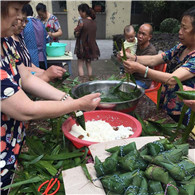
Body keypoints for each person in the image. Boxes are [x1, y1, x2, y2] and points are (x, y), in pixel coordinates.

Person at [0, 1, 101, 193]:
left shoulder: (6, 42)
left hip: (12, 142)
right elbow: (25, 110)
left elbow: (27, 79)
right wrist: (77, 104)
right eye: (16, 10)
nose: (20, 18)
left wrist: (66, 99)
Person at [121, 6, 195, 124]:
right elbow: (154, 59)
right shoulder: (181, 47)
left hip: (182, 111)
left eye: (184, 28)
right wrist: (133, 58)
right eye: (180, 26)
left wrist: (141, 69)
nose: (180, 31)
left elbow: (172, 79)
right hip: (166, 102)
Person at [7, 4, 66, 82]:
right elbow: (19, 71)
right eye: (21, 20)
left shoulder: (20, 38)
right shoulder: (8, 42)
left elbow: (24, 67)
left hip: (34, 62)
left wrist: (44, 73)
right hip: (40, 57)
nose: (24, 25)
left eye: (25, 20)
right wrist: (45, 74)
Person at [74, 3, 100, 80]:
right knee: (89, 64)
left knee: (80, 65)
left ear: (83, 11)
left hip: (82, 47)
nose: (80, 14)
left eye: (80, 12)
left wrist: (76, 31)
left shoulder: (81, 22)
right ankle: (90, 81)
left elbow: (77, 33)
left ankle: (82, 82)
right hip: (91, 47)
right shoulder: (94, 22)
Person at [22, 4, 48, 70]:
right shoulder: (40, 23)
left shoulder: (23, 24)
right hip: (42, 58)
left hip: (30, 60)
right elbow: (47, 39)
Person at [134, 23, 157, 89]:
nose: (140, 36)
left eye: (143, 34)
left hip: (143, 81)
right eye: (139, 33)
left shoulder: (151, 51)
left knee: (127, 89)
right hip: (133, 78)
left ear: (149, 37)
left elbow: (136, 67)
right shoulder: (135, 45)